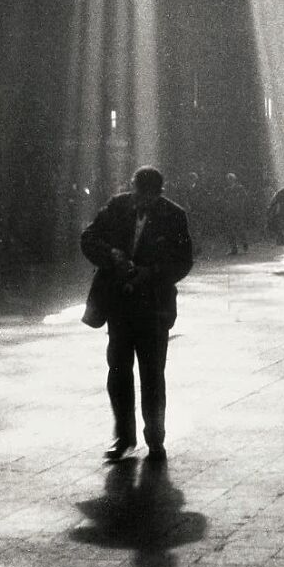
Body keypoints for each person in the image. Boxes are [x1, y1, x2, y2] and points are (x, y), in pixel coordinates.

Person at [81, 166, 194, 463]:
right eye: (136, 192)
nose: (139, 201)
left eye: (146, 196)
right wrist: (111, 255)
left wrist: (152, 273)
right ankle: (123, 436)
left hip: (154, 306)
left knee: (152, 375)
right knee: (117, 372)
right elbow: (89, 238)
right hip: (119, 305)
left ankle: (155, 438)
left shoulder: (174, 215)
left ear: (158, 194)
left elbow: (184, 261)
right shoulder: (117, 206)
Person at [222, 172, 249, 255]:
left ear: (234, 180)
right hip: (230, 212)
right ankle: (234, 248)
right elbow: (224, 200)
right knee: (230, 230)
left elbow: (244, 198)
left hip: (238, 212)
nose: (229, 181)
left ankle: (245, 244)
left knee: (240, 229)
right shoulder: (227, 190)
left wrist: (239, 206)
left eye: (231, 179)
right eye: (228, 180)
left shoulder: (240, 188)